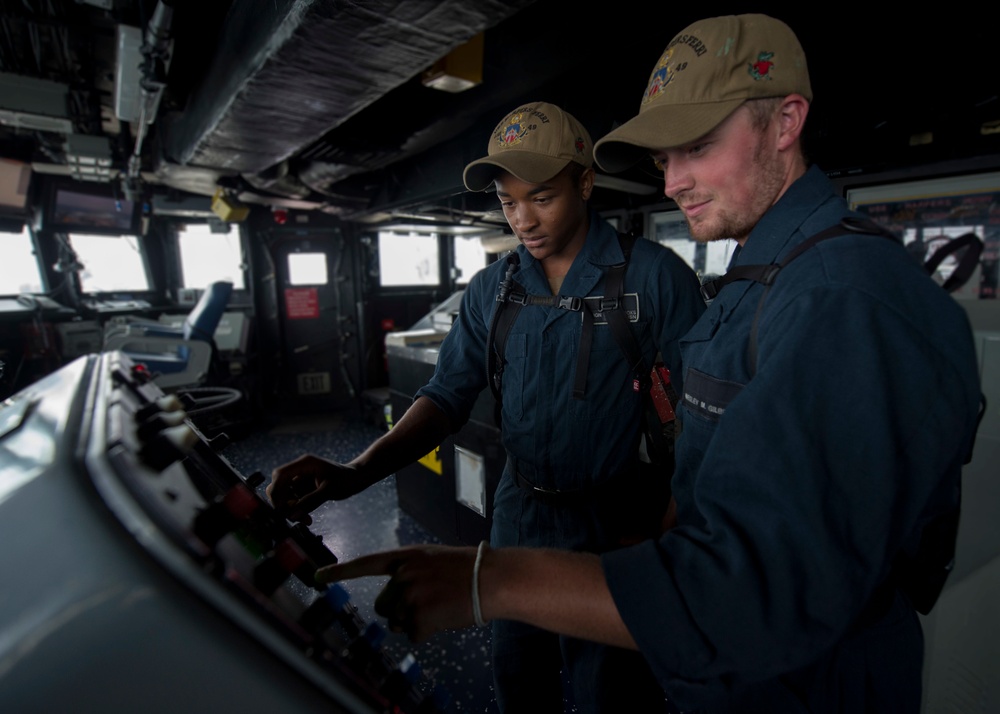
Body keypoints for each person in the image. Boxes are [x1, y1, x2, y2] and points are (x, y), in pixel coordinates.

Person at [311, 14, 984, 714]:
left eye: (695, 146)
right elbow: (702, 447)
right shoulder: (766, 278)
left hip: (796, 673)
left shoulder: (836, 298)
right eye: (665, 158)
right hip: (568, 538)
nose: (672, 182)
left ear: (786, 122)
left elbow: (756, 586)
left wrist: (497, 581)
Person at [267, 101, 706, 712]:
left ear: (585, 183)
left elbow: (703, 427)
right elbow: (445, 397)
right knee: (519, 682)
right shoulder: (492, 290)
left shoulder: (655, 279)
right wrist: (354, 473)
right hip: (517, 517)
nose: (521, 218)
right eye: (507, 201)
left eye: (542, 197)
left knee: (614, 692)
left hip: (617, 523)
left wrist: (663, 533)